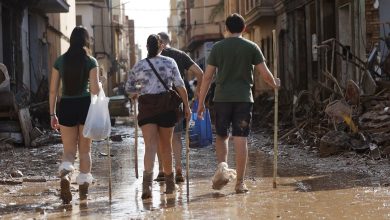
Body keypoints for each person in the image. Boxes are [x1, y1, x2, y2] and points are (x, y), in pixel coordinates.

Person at [197, 13, 280, 194]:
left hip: (221, 99)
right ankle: (240, 183)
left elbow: (207, 77)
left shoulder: (218, 48)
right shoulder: (251, 47)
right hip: (243, 99)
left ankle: (223, 168)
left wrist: (201, 102)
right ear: (244, 28)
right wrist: (275, 84)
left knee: (221, 136)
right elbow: (265, 74)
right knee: (241, 139)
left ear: (226, 29)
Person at [125, 34, 191, 199]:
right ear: (161, 46)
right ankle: (170, 186)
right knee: (166, 147)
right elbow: (180, 85)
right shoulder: (170, 62)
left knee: (150, 147)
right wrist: (187, 106)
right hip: (166, 107)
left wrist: (138, 93)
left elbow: (129, 88)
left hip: (147, 108)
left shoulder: (139, 66)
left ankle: (146, 188)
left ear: (147, 47)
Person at [49, 26, 100, 204]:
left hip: (66, 106)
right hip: (85, 106)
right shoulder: (91, 61)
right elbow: (94, 89)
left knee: (69, 151)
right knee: (85, 151)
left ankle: (66, 176)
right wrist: (100, 83)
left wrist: (52, 114)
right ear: (86, 41)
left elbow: (53, 90)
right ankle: (84, 193)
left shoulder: (60, 61)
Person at [154, 32, 204, 183]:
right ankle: (178, 169)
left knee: (159, 138)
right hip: (176, 101)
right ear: (168, 41)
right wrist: (197, 93)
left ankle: (162, 170)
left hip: (156, 102)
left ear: (159, 42)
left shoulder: (152, 56)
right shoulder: (180, 55)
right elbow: (200, 73)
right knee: (176, 137)